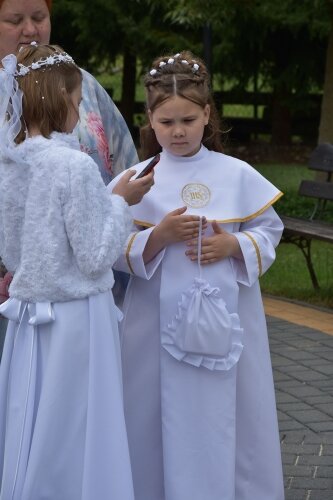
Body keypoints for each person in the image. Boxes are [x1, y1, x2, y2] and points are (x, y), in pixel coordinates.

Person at [109, 51, 285, 500]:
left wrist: (234, 245)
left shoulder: (237, 174)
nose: (179, 131)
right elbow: (108, 243)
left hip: (230, 323)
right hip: (154, 325)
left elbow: (268, 229)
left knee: (232, 410)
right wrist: (159, 236)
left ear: (208, 114)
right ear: (149, 119)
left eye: (188, 119)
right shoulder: (135, 181)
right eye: (166, 122)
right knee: (152, 410)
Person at [0, 43, 153, 500]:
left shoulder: (11, 161)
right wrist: (120, 201)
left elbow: (10, 249)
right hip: (77, 319)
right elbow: (95, 253)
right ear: (57, 98)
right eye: (76, 98)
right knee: (80, 425)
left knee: (37, 421)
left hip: (28, 317)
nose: (80, 107)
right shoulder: (74, 165)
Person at [0, 0, 137, 309]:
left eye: (39, 17)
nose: (30, 29)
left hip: (89, 279)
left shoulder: (81, 82)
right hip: (32, 288)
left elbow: (126, 162)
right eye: (15, 20)